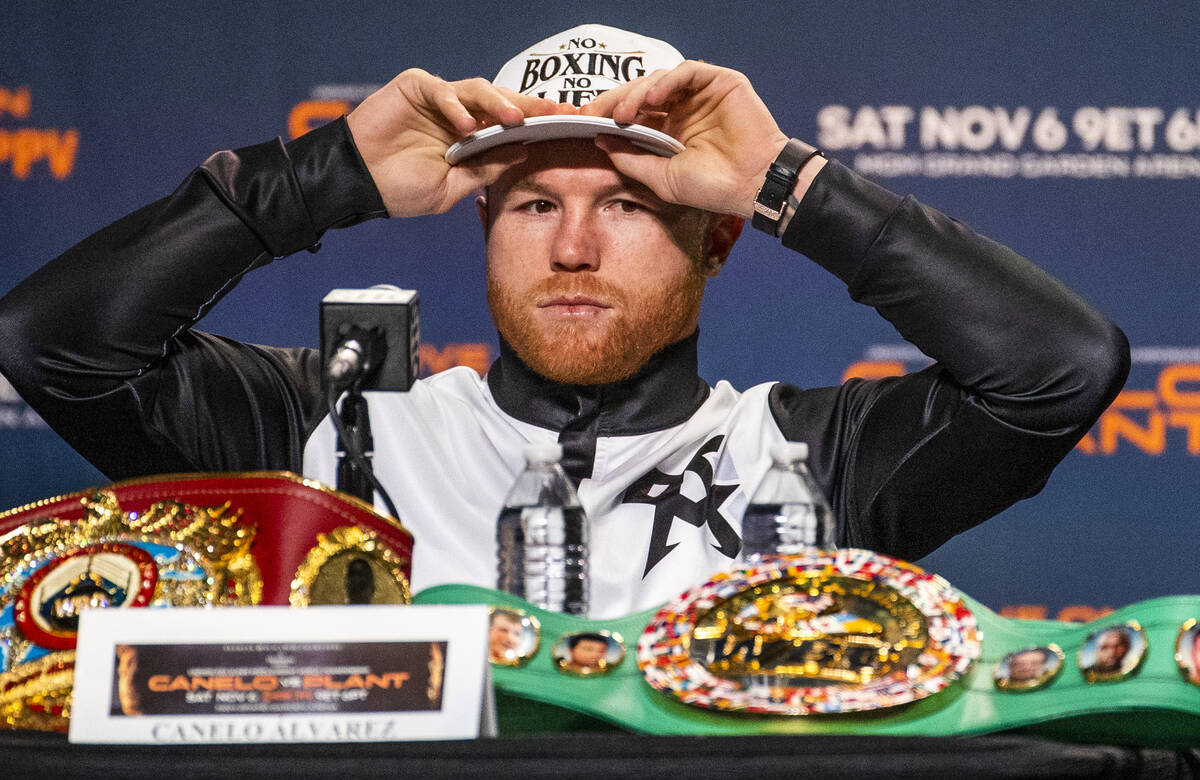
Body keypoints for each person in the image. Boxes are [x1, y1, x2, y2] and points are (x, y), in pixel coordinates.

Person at [0, 25, 1128, 618]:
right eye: (535, 203)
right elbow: (52, 342)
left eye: (628, 205)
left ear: (718, 236)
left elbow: (1060, 368)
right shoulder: (333, 434)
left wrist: (791, 182)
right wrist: (320, 175)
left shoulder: (810, 460)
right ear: (486, 222)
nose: (573, 246)